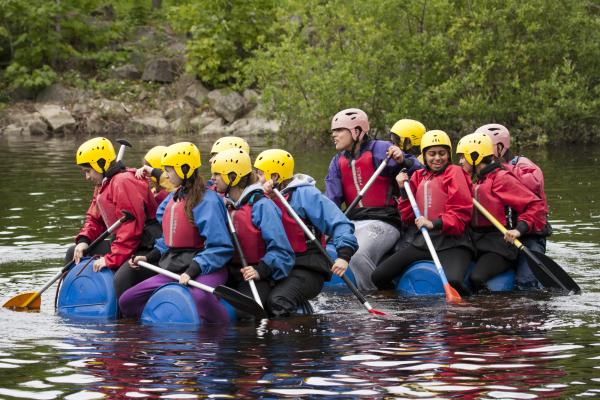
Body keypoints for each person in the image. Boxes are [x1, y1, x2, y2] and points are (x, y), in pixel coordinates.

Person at [119, 142, 234, 322]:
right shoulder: (173, 199)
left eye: (169, 170)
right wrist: (149, 257)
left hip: (206, 268)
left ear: (185, 169)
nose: (165, 175)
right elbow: (169, 239)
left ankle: (227, 330)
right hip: (175, 267)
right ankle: (154, 329)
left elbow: (220, 247)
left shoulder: (208, 201)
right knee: (128, 301)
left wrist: (192, 270)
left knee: (200, 298)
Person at [325, 108, 422, 291]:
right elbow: (332, 202)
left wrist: (403, 161)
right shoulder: (336, 162)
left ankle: (376, 297)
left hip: (384, 221)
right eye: (333, 131)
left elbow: (420, 172)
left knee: (358, 253)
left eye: (339, 130)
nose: (334, 135)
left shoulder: (382, 150)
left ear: (356, 132)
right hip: (353, 222)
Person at [256, 149, 359, 315]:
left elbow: (339, 223)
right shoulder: (260, 197)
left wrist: (344, 255)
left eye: (260, 174)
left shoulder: (305, 194)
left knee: (278, 301)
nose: (256, 179)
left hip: (308, 267)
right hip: (278, 266)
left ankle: (298, 337)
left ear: (274, 176)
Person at [371, 130, 474, 295]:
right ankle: (401, 312)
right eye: (432, 154)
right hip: (424, 241)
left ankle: (470, 310)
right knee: (379, 276)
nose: (437, 158)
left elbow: (461, 214)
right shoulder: (418, 176)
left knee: (454, 281)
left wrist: (434, 223)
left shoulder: (455, 172)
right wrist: (402, 189)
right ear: (424, 156)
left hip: (453, 242)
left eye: (442, 153)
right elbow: (407, 216)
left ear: (448, 154)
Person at [69, 137, 161, 299]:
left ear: (101, 164)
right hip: (124, 245)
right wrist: (84, 240)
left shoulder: (123, 182)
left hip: (145, 248)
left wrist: (111, 259)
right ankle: (73, 297)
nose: (87, 177)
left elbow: (131, 230)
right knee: (73, 253)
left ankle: (123, 322)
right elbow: (95, 219)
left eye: (88, 171)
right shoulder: (103, 185)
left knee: (121, 279)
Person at [457, 132, 547, 292]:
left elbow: (534, 206)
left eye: (463, 157)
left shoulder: (501, 178)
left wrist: (519, 230)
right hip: (477, 242)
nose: (460, 161)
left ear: (475, 157)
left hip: (500, 245)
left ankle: (489, 310)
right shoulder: (475, 179)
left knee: (476, 278)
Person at [210, 148, 295, 315]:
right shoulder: (223, 204)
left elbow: (282, 251)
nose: (212, 179)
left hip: (259, 276)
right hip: (229, 273)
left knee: (241, 315)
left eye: (217, 174)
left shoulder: (262, 205)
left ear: (232, 177)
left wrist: (259, 271)